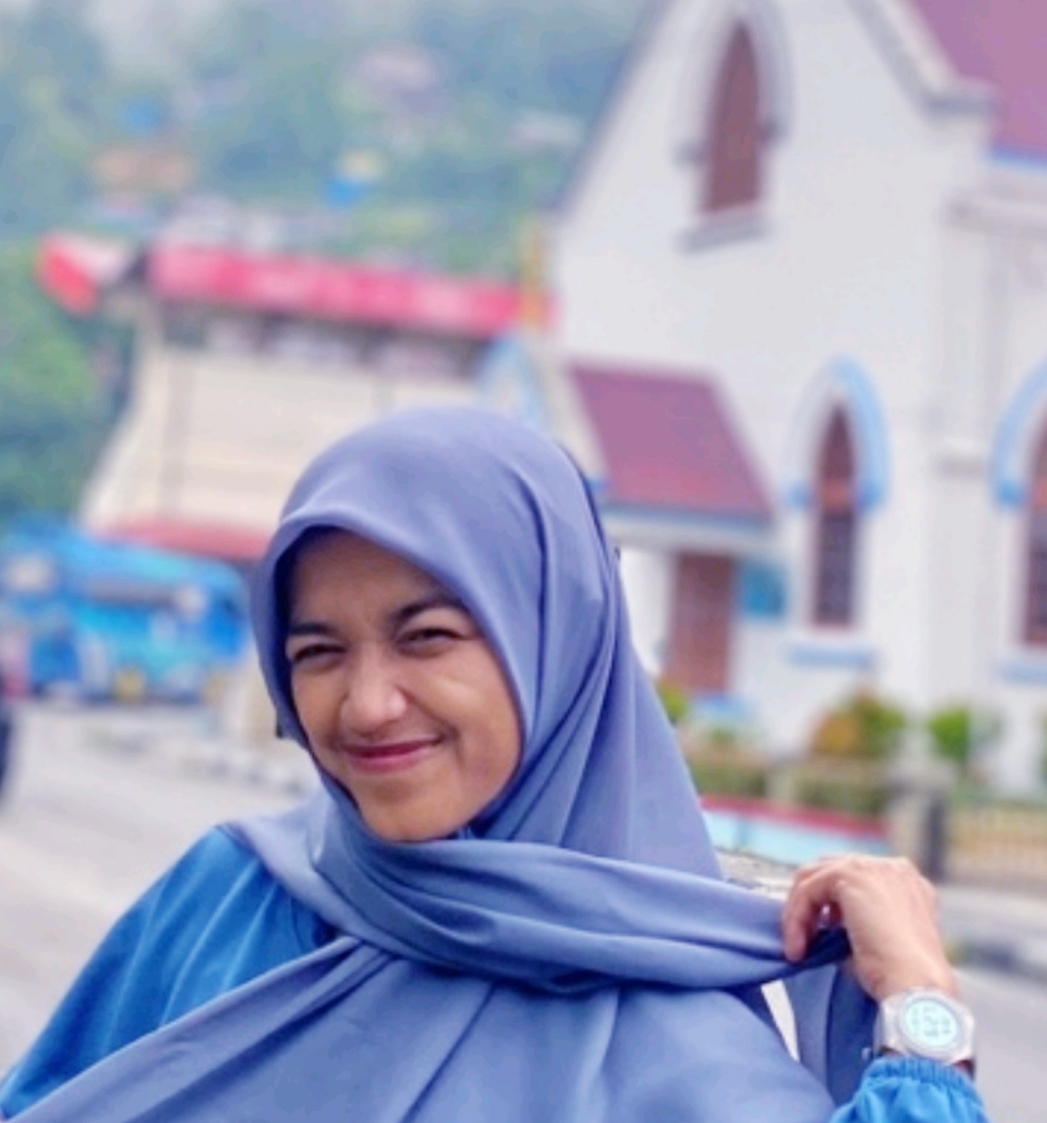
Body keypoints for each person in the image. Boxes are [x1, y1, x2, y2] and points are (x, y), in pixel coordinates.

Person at [0, 409, 988, 1122]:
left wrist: (919, 1005)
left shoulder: (674, 1031)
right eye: (318, 651)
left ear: (556, 639)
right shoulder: (229, 899)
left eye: (426, 636)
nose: (366, 703)